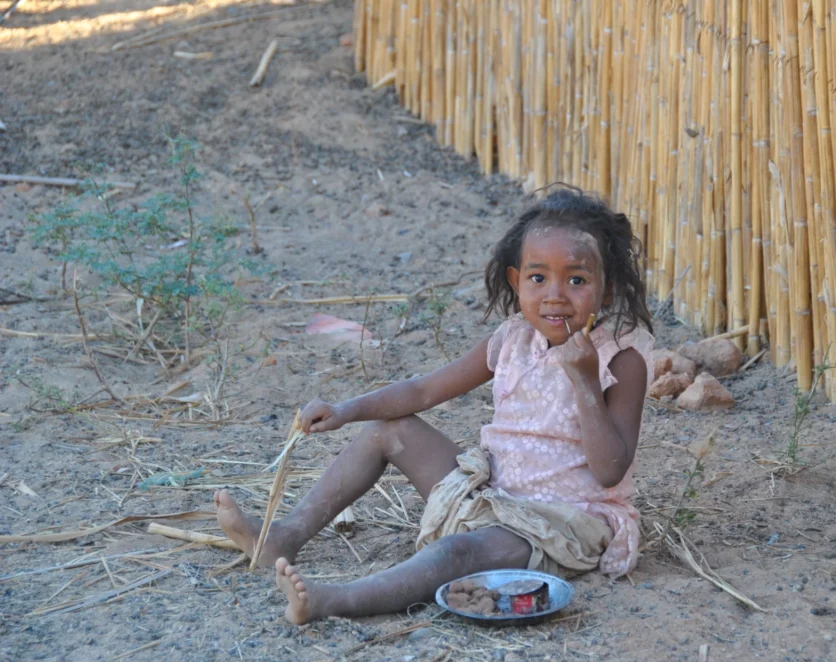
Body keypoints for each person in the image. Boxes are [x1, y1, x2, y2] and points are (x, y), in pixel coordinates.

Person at [213, 185, 656, 624]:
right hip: (490, 496)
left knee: (456, 552)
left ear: (608, 289)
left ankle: (334, 601)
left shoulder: (621, 357)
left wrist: (582, 380)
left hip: (561, 525)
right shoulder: (513, 338)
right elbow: (423, 391)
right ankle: (284, 535)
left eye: (577, 280)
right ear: (516, 281)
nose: (555, 295)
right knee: (389, 430)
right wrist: (346, 409)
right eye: (538, 278)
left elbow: (609, 469)